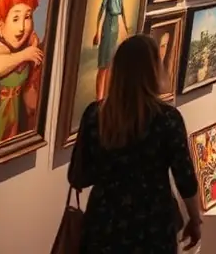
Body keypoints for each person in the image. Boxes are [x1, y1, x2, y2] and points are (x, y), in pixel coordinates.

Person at [68, 34, 202, 253]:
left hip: (103, 225)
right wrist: (195, 220)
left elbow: (79, 176)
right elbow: (185, 179)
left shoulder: (95, 115)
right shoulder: (167, 119)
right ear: (153, 71)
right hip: (152, 225)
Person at [92, 0, 133, 101]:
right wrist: (97, 31)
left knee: (111, 64)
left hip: (116, 23)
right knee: (103, 64)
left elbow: (122, 7)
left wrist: (126, 26)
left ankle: (106, 98)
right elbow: (102, 7)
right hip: (108, 23)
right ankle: (99, 99)